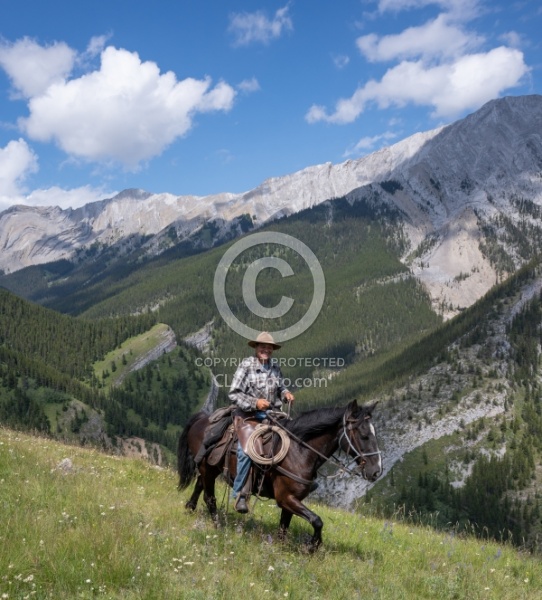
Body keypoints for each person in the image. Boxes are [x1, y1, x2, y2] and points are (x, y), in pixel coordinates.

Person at [229, 331, 294, 513]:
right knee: (246, 450)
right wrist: (255, 402)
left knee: (292, 440)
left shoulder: (275, 366)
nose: (266, 349)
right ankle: (241, 494)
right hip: (248, 415)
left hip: (271, 415)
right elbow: (234, 393)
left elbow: (280, 386)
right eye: (263, 346)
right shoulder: (246, 366)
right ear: (256, 348)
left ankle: (288, 486)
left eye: (269, 347)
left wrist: (285, 393)